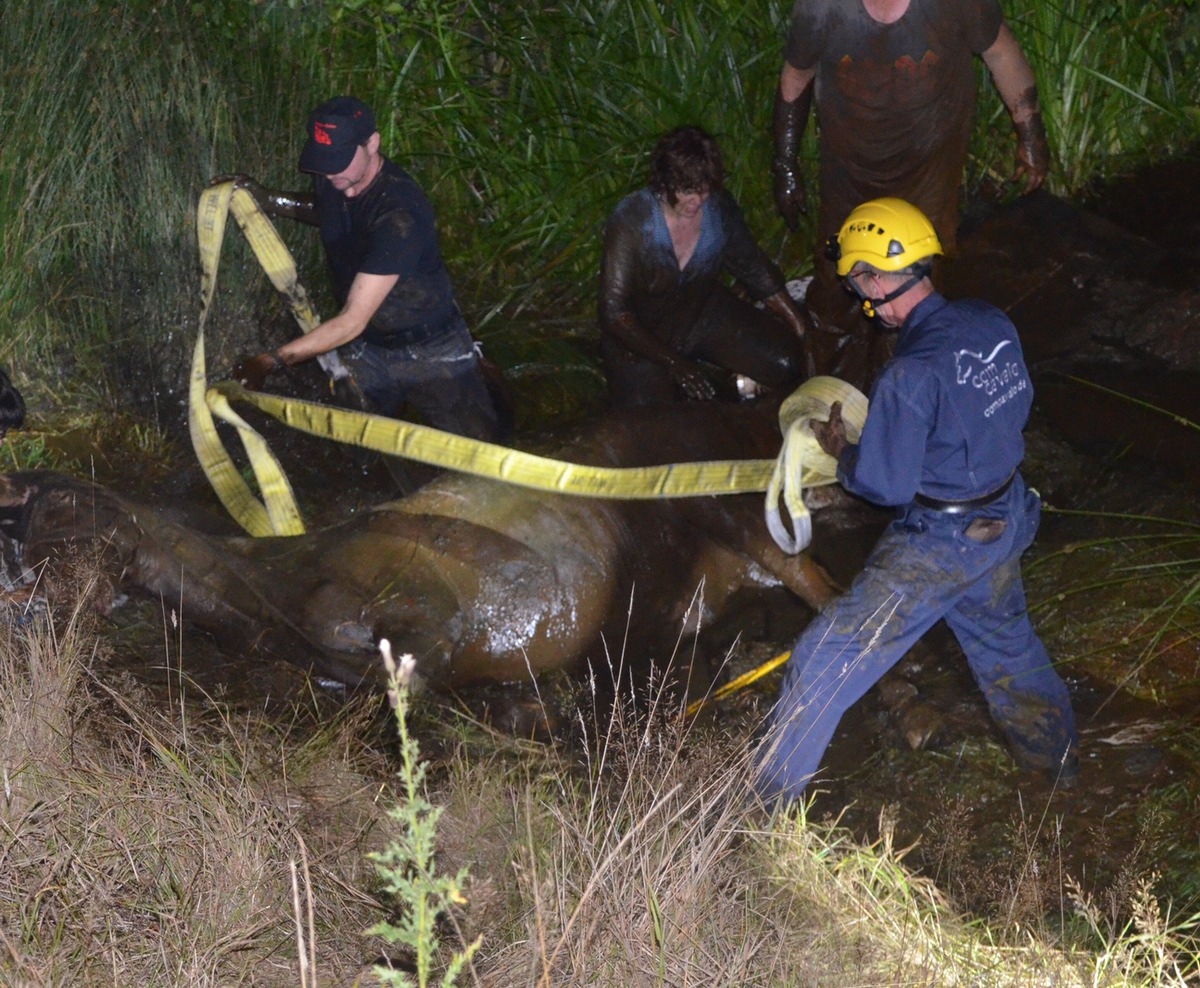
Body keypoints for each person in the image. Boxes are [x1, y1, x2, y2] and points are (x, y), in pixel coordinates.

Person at [755, 198, 1077, 805]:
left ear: (875, 281)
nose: (860, 297)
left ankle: (760, 817)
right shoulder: (989, 321)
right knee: (1008, 651)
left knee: (818, 664)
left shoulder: (907, 375)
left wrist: (842, 450)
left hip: (940, 544)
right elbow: (1017, 406)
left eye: (858, 283)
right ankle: (1062, 774)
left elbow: (885, 486)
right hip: (1004, 518)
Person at [771, 0, 1050, 392]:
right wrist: (784, 161)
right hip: (850, 171)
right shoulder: (822, 6)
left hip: (928, 168)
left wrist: (1031, 131)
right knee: (837, 282)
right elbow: (796, 76)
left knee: (912, 284)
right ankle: (830, 396)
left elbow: (1001, 51)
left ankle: (898, 396)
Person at [225, 96, 502, 443]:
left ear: (372, 143)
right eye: (322, 162)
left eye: (338, 161)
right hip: (367, 348)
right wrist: (269, 200)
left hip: (429, 351)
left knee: (482, 460)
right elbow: (327, 208)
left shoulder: (400, 215)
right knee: (360, 452)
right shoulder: (334, 176)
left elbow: (351, 320)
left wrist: (269, 362)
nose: (328, 173)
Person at [599, 125, 809, 408]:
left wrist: (799, 326)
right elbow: (614, 312)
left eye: (704, 190)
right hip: (642, 338)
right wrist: (674, 362)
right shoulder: (632, 220)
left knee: (786, 362)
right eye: (687, 191)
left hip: (700, 314)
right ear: (665, 182)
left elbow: (754, 269)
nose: (696, 201)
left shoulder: (718, 211)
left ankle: (732, 383)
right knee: (651, 415)